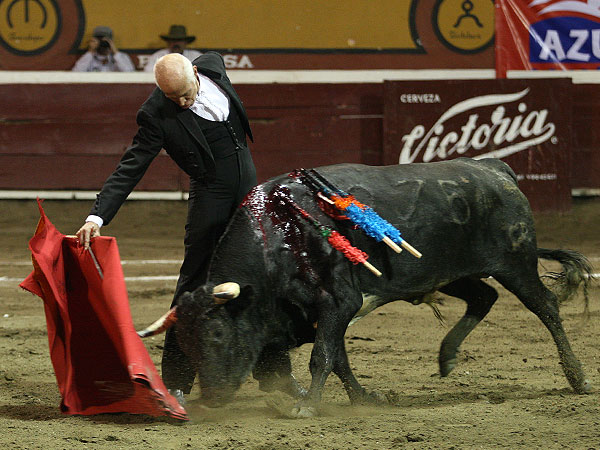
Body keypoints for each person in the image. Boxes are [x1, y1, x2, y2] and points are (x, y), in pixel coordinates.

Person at [76, 52, 257, 405]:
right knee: (193, 285)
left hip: (249, 193)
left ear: (196, 72)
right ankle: (176, 383)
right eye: (174, 98)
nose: (183, 103)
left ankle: (274, 377)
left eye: (186, 95)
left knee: (258, 279)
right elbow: (131, 166)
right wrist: (97, 217)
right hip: (211, 197)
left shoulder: (214, 67)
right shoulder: (156, 113)